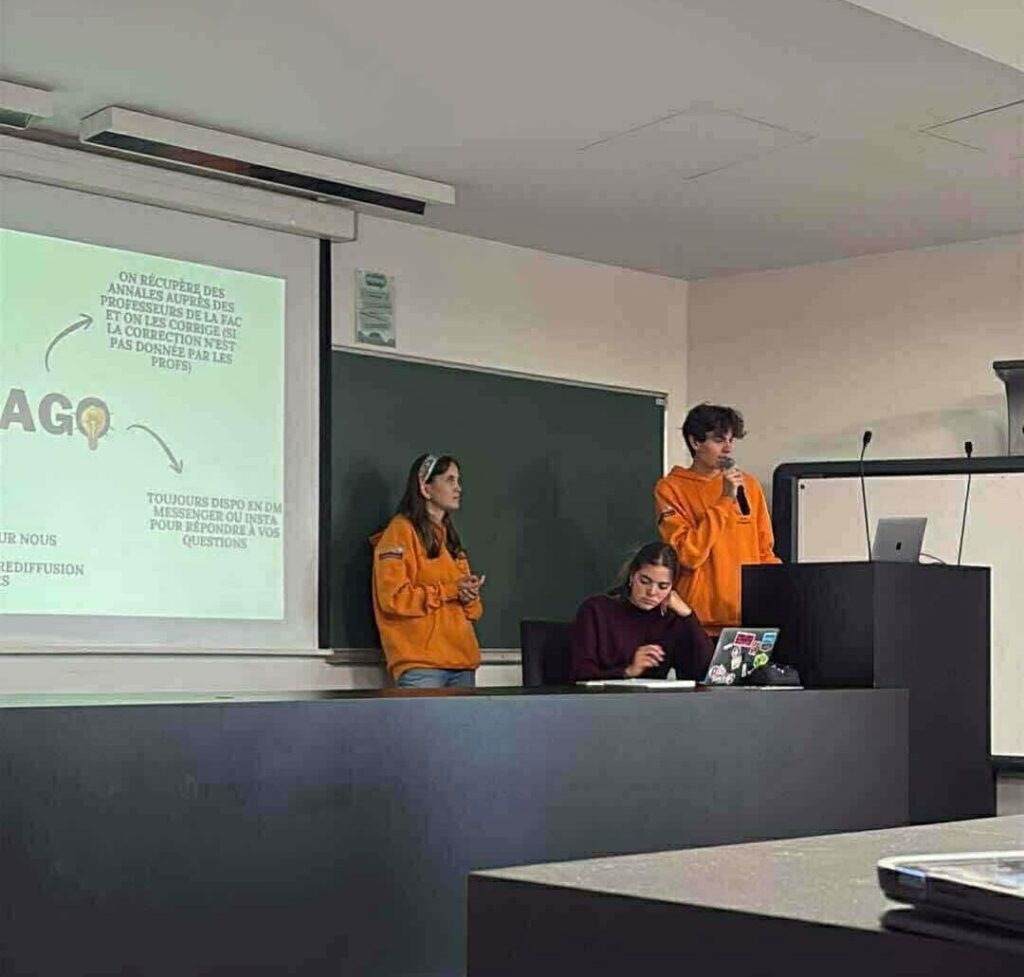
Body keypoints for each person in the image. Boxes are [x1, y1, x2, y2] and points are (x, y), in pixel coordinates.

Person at [654, 403, 780, 636]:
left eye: (731, 441)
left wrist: (781, 595)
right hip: (698, 623)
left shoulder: (749, 485)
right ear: (695, 442)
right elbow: (688, 555)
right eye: (719, 440)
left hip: (750, 620)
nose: (728, 448)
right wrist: (725, 499)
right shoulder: (671, 488)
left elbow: (764, 551)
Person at [372, 453, 486, 687]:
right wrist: (451, 590)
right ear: (425, 488)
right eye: (449, 480)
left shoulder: (451, 539)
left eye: (458, 480)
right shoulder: (400, 532)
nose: (458, 488)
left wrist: (469, 595)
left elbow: (474, 612)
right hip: (421, 665)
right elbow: (392, 599)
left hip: (462, 662)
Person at [570, 541, 714, 681]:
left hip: (654, 697)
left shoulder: (670, 619)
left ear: (672, 587)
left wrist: (688, 616)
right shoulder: (596, 611)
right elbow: (581, 672)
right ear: (632, 576)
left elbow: (705, 671)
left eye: (663, 586)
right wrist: (628, 671)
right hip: (603, 696)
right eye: (645, 581)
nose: (652, 592)